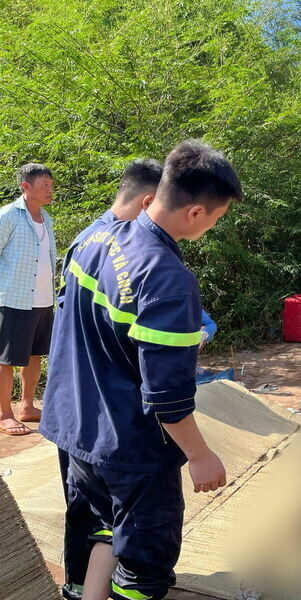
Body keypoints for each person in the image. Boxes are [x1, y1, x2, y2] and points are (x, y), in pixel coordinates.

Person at [40, 140, 241, 600]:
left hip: (76, 426)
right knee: (143, 567)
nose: (212, 226)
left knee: (102, 530)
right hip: (130, 445)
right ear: (195, 213)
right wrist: (200, 455)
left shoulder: (97, 237)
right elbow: (167, 396)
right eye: (216, 217)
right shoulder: (167, 278)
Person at [56, 158, 164, 600]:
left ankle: (81, 586)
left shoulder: (85, 239)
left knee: (85, 508)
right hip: (104, 413)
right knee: (110, 514)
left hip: (71, 403)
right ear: (148, 201)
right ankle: (92, 585)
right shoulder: (128, 252)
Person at [0, 163, 56, 437]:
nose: (50, 189)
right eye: (44, 184)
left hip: (43, 300)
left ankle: (27, 407)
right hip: (13, 299)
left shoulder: (46, 218)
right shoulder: (8, 216)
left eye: (50, 184)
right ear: (26, 187)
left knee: (34, 356)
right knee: (7, 359)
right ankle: (4, 414)